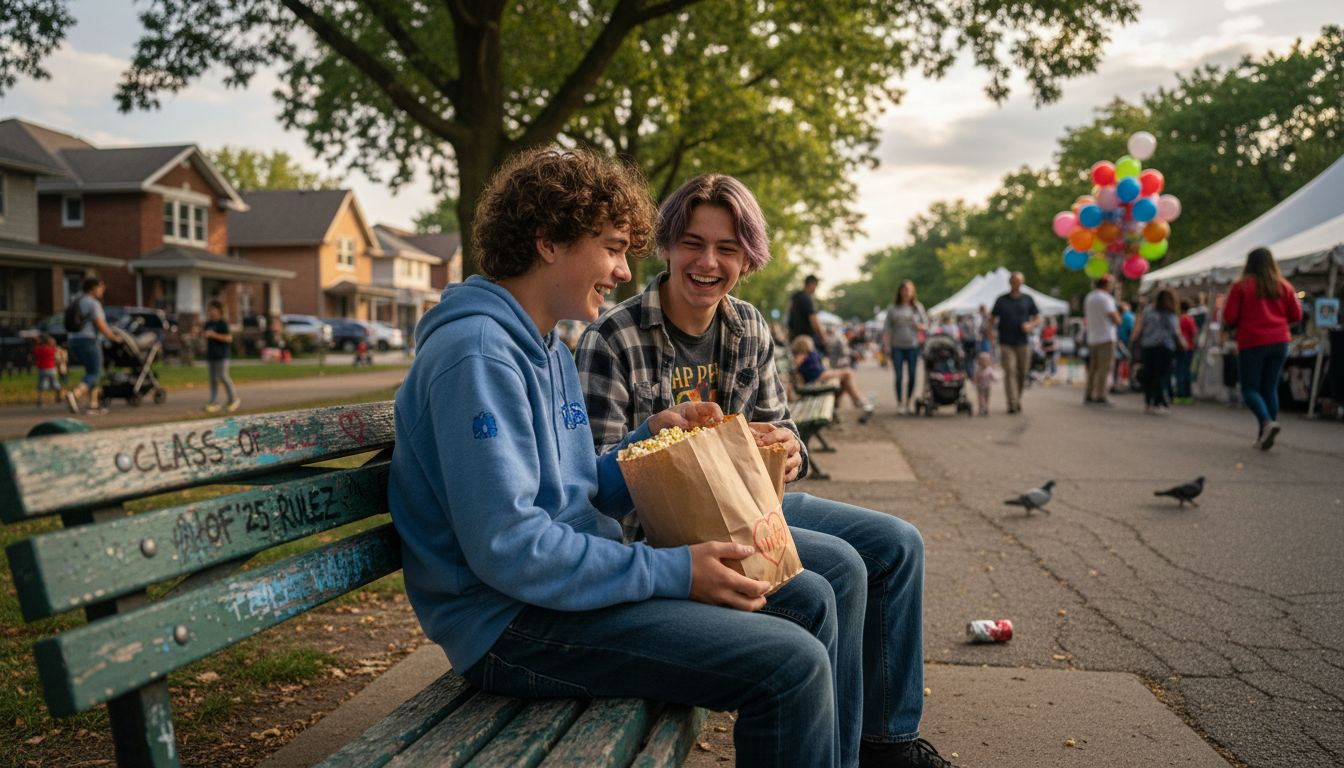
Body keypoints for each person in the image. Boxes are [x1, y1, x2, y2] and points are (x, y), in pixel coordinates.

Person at [389, 148, 864, 768]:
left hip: (562, 590)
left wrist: (647, 443)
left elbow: (575, 493)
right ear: (548, 241)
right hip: (509, 623)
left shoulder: (545, 347)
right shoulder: (477, 355)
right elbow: (509, 547)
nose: (621, 270)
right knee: (790, 664)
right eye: (612, 248)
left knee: (810, 597)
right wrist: (673, 571)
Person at [577, 173, 956, 768]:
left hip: (752, 506)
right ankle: (841, 756)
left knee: (898, 544)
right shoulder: (612, 337)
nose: (708, 262)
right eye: (693, 243)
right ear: (667, 245)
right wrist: (661, 444)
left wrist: (789, 449)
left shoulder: (749, 326)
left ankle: (888, 744)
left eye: (727, 249)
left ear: (747, 258)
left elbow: (782, 436)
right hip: (664, 537)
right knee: (842, 572)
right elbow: (599, 493)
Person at [1222, 247, 1302, 449]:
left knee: (1250, 389)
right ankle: (1264, 433)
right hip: (1280, 341)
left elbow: (1229, 316)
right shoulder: (1284, 286)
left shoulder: (1241, 286)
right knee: (1269, 387)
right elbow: (1296, 316)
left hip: (1252, 341)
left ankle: (1266, 424)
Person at [791, 336, 876, 423]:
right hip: (817, 377)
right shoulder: (802, 355)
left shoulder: (809, 353)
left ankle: (849, 403)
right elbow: (797, 367)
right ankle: (858, 400)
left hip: (820, 374)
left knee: (844, 380)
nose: (811, 345)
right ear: (804, 345)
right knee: (847, 373)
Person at [988, 272, 1040, 414]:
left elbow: (1037, 317)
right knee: (1010, 371)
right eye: (1014, 281)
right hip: (1006, 342)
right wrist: (990, 335)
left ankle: (1017, 398)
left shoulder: (1028, 299)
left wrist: (1030, 325)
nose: (1016, 283)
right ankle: (1012, 403)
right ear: (1010, 282)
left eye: (1019, 281)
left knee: (1022, 372)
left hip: (1023, 342)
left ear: (1022, 282)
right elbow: (991, 319)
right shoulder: (1001, 300)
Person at [1131, 288, 1188, 415]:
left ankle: (1148, 402)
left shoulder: (1148, 310)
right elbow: (1175, 331)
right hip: (1164, 347)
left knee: (1149, 375)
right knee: (1160, 376)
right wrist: (1182, 345)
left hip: (1148, 346)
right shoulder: (1169, 313)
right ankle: (1158, 402)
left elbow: (1141, 327)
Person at [64, 276, 114, 415]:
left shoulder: (76, 300)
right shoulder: (93, 303)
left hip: (73, 340)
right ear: (94, 288)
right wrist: (113, 337)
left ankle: (93, 404)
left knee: (90, 371)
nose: (102, 291)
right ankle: (75, 394)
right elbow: (100, 323)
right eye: (101, 288)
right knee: (96, 373)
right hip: (89, 340)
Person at [882, 281, 926, 414]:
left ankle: (909, 402)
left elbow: (925, 324)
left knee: (912, 375)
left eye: (909, 290)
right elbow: (887, 328)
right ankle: (900, 403)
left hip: (913, 345)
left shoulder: (917, 307)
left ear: (913, 292)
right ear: (900, 291)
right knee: (899, 376)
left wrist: (919, 326)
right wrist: (886, 345)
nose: (907, 292)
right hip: (897, 346)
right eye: (905, 289)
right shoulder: (893, 308)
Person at [1083, 274, 1120, 406]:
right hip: (1106, 337)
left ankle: (1089, 394)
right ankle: (1100, 395)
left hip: (1092, 337)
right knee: (1104, 368)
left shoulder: (1090, 297)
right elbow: (1116, 319)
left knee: (1093, 368)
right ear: (1106, 285)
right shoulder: (1106, 298)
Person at [202, 299, 240, 413]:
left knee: (223, 376)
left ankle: (233, 399)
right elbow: (205, 336)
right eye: (209, 309)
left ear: (219, 310)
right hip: (211, 354)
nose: (210, 311)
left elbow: (228, 338)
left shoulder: (223, 323)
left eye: (213, 309)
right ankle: (213, 401)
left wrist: (214, 335)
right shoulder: (208, 323)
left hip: (222, 355)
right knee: (213, 379)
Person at [787, 274, 826, 349]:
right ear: (811, 284)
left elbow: (788, 314)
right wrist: (822, 337)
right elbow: (814, 321)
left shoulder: (795, 297)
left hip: (794, 338)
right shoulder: (807, 299)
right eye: (816, 286)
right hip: (806, 341)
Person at [1173, 299, 1198, 405]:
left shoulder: (1178, 319)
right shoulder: (1189, 319)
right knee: (1186, 371)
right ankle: (1186, 394)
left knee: (1179, 370)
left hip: (1178, 347)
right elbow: (1194, 333)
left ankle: (1180, 393)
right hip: (1188, 347)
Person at [1114, 301, 1135, 394]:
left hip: (1121, 342)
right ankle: (1129, 383)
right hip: (1128, 343)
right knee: (1128, 363)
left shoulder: (1124, 316)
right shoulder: (1130, 316)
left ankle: (1116, 383)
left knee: (1118, 364)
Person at [34, 334, 60, 407]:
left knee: (41, 385)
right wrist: (53, 343)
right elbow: (56, 350)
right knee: (55, 383)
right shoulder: (51, 349)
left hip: (42, 369)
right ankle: (57, 397)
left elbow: (35, 351)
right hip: (51, 368)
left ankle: (40, 400)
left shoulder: (39, 349)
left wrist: (37, 341)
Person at [972, 350, 999, 416]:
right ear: (979, 362)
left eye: (986, 361)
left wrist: (995, 379)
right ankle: (981, 408)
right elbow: (975, 377)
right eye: (983, 361)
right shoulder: (978, 369)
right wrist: (975, 381)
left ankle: (986, 407)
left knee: (986, 397)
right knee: (981, 397)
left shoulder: (989, 369)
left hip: (987, 386)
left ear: (989, 361)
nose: (985, 362)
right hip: (980, 387)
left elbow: (993, 376)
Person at [1040, 317, 1059, 381]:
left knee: (1050, 361)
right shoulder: (1046, 330)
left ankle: (1050, 373)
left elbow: (1054, 344)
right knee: (1049, 361)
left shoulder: (1048, 330)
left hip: (1049, 345)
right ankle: (1050, 373)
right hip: (1048, 345)